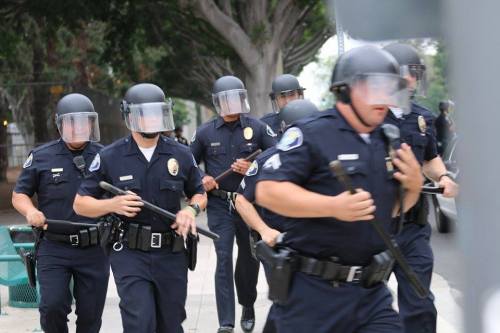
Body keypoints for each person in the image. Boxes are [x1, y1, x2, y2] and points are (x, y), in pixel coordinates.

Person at [255, 45, 423, 333]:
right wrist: (332, 207)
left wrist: (414, 187)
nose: (385, 98)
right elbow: (268, 191)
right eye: (375, 89)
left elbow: (391, 209)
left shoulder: (389, 139)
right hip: (313, 295)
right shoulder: (311, 133)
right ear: (346, 90)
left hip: (371, 293)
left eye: (391, 90)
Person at [73, 83, 207, 333]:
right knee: (140, 322)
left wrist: (191, 211)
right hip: (129, 252)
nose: (151, 119)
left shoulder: (181, 154)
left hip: (172, 251)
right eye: (145, 114)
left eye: (157, 112)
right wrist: (112, 204)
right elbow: (81, 204)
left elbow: (199, 193)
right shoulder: (110, 156)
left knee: (171, 323)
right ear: (130, 116)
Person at [11, 93, 109, 333]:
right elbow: (19, 195)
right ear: (60, 124)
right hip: (54, 247)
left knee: (90, 314)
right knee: (52, 307)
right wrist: (31, 211)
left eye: (84, 121)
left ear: (91, 124)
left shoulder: (106, 155)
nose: (78, 127)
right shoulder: (41, 156)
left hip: (94, 247)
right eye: (71, 121)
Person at [190, 75, 277, 333]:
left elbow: (277, 158)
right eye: (225, 100)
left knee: (250, 258)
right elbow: (188, 164)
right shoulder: (205, 132)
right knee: (224, 257)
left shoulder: (258, 127)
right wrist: (202, 178)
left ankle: (247, 304)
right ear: (217, 103)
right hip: (220, 205)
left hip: (249, 204)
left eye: (236, 98)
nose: (231, 104)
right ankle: (225, 322)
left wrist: (253, 166)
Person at [383, 43, 459, 333]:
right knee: (364, 304)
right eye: (408, 72)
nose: (413, 79)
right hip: (373, 228)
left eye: (417, 73)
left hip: (413, 227)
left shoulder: (422, 117)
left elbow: (429, 158)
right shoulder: (366, 116)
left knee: (420, 304)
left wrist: (442, 178)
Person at [235, 99, 318, 333]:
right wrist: (263, 230)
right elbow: (241, 200)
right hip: (279, 246)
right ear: (285, 131)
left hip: (316, 246)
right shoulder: (266, 161)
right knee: (286, 304)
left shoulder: (325, 161)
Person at [261, 74, 305, 139]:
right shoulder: (265, 125)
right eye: (282, 96)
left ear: (299, 95)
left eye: (291, 95)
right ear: (275, 99)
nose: (288, 101)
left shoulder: (311, 120)